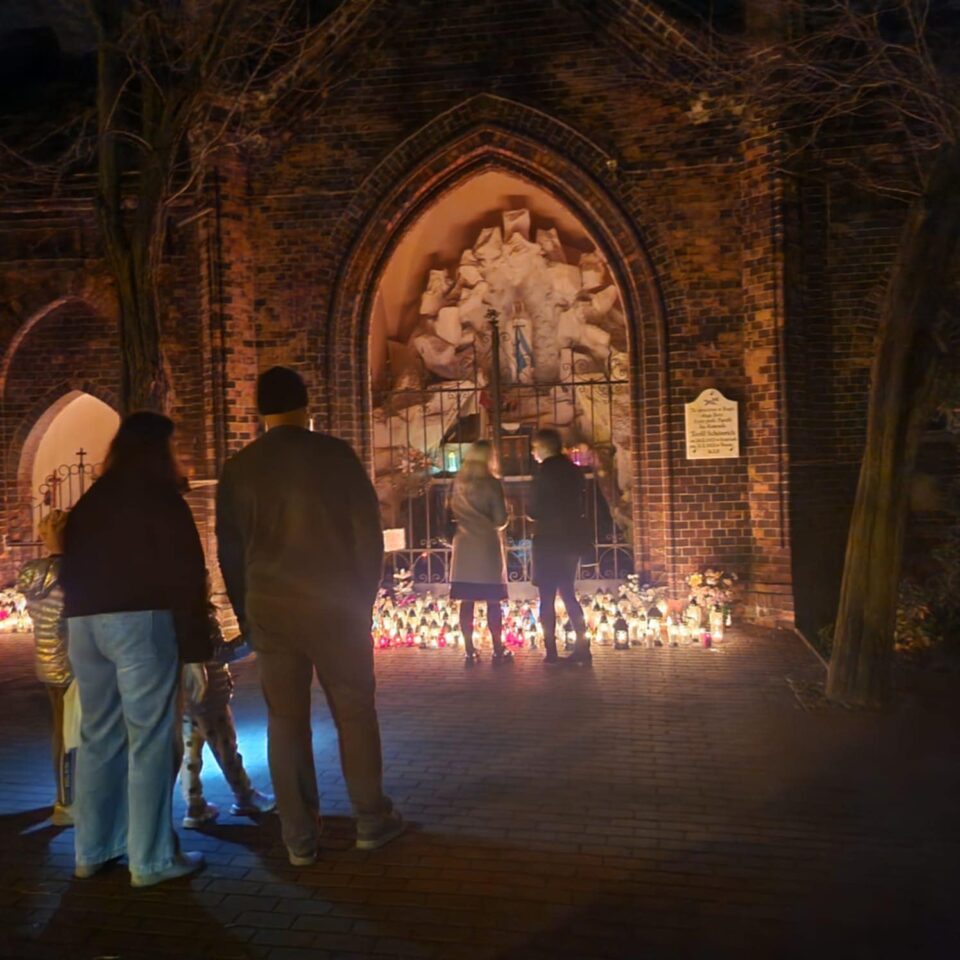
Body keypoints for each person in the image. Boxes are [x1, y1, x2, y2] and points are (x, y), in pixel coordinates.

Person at [216, 366, 403, 866]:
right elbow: (369, 532)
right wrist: (362, 596)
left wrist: (246, 611)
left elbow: (229, 553)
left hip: (271, 608)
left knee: (285, 719)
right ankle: (370, 818)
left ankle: (299, 836)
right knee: (355, 712)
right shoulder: (336, 457)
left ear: (260, 413)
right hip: (336, 605)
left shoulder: (239, 468)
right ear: (306, 406)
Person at [61, 412, 211, 887]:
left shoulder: (92, 500)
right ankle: (150, 859)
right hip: (140, 622)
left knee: (98, 736)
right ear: (159, 450)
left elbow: (69, 564)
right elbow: (186, 575)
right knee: (148, 739)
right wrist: (194, 650)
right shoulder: (161, 499)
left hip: (85, 623)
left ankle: (93, 848)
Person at [179, 601, 275, 830]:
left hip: (187, 699)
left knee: (190, 757)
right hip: (211, 697)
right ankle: (244, 795)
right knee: (226, 749)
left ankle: (194, 806)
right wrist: (249, 642)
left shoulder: (174, 619)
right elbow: (219, 654)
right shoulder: (199, 617)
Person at [17, 509, 74, 826]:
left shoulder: (31, 573)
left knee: (59, 731)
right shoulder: (75, 571)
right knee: (74, 734)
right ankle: (68, 801)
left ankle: (63, 796)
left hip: (46, 660)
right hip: (73, 663)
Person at [529, 429, 590, 665]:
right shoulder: (574, 472)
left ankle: (551, 651)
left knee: (546, 596)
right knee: (568, 592)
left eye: (535, 447)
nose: (533, 452)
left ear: (544, 448)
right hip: (571, 538)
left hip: (548, 540)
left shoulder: (543, 474)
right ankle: (583, 648)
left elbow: (533, 510)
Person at [448, 440, 511, 665]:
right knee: (493, 601)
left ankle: (469, 650)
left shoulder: (459, 483)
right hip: (486, 546)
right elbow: (500, 519)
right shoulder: (491, 483)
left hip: (463, 546)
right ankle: (497, 648)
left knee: (467, 601)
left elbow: (449, 513)